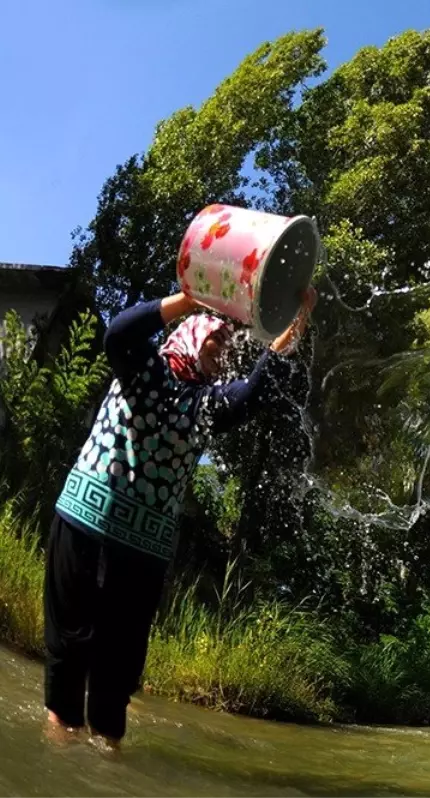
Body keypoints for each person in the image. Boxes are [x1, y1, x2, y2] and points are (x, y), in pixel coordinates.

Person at [44, 288, 316, 749]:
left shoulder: (204, 407)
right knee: (69, 655)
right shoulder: (143, 368)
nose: (223, 353)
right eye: (217, 342)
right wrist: (193, 297)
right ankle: (59, 754)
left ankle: (102, 768)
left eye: (228, 348)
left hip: (143, 552)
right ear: (193, 335)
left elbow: (257, 388)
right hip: (83, 525)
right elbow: (119, 332)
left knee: (117, 677)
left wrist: (300, 319)